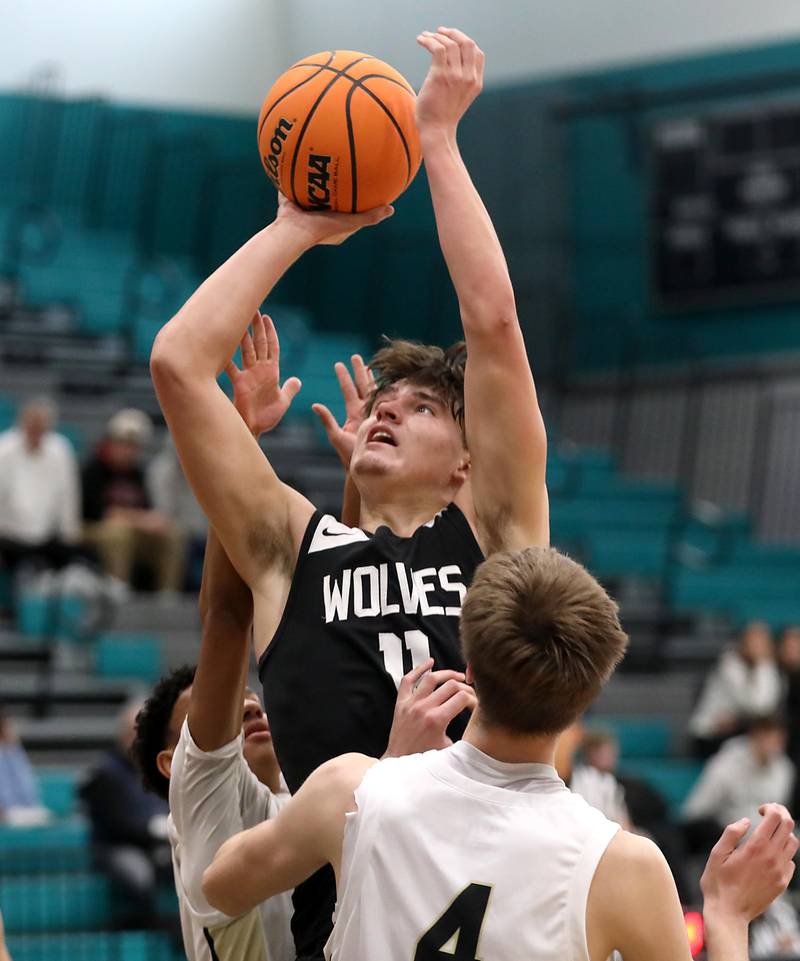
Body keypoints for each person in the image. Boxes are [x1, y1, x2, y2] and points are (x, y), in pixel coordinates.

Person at [151, 27, 546, 956]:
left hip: (519, 909)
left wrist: (437, 143)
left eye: (421, 407)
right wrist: (300, 224)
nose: (386, 411)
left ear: (467, 460)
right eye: (383, 402)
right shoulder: (295, 548)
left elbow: (491, 321)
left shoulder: (497, 529)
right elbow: (178, 361)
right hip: (361, 928)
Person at [203, 547, 798, 961]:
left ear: (470, 662)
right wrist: (726, 914)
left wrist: (390, 766)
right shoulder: (627, 866)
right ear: (582, 706)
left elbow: (220, 886)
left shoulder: (355, 790)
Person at [133, 318, 474, 961]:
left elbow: (344, 622)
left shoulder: (299, 798)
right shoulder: (211, 796)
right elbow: (229, 620)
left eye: (415, 408)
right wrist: (241, 442)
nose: (247, 709)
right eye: (385, 405)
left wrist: (365, 476)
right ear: (172, 763)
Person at [79, 701, 171, 929]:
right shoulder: (105, 772)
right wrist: (154, 828)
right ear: (121, 733)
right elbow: (118, 823)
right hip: (115, 846)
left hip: (156, 843)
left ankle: (175, 925)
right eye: (133, 731)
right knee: (139, 874)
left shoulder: (153, 766)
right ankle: (141, 926)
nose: (138, 738)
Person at [82, 408, 185, 594]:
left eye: (133, 446)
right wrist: (140, 519)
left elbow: (147, 509)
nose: (128, 451)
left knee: (173, 533)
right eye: (124, 444)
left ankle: (168, 594)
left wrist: (154, 521)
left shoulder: (138, 473)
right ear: (111, 442)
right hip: (91, 529)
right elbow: (103, 513)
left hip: (131, 529)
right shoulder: (93, 469)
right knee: (118, 532)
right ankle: (118, 590)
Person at [682, 714, 796, 860]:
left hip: (763, 836)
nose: (774, 744)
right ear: (756, 736)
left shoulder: (784, 769)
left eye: (779, 739)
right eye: (769, 737)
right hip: (726, 830)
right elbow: (701, 807)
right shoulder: (727, 762)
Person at [0, 397, 81, 580]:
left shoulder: (60, 449)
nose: (36, 431)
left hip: (47, 534)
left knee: (74, 558)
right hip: (8, 533)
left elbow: (68, 494)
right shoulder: (3, 450)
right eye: (32, 425)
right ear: (22, 423)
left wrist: (70, 533)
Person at [689, 621, 783, 758]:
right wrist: (764, 663)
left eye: (762, 642)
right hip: (711, 735)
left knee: (771, 738)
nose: (757, 647)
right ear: (743, 643)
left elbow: (768, 707)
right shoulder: (729, 663)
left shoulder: (768, 668)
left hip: (738, 731)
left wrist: (764, 664)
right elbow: (758, 707)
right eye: (753, 641)